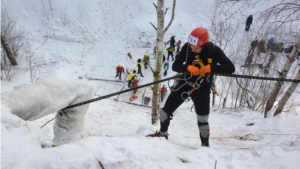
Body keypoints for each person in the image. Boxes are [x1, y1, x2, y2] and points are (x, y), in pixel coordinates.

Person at [147, 27, 235, 147]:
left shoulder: (213, 50)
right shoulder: (187, 48)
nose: (193, 50)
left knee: (203, 123)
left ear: (203, 45)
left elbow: (230, 67)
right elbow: (175, 66)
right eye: (191, 46)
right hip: (184, 84)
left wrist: (211, 68)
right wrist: (187, 68)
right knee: (164, 113)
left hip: (202, 88)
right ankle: (163, 134)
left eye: (196, 48)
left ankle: (205, 147)